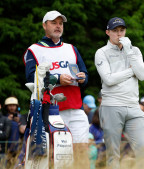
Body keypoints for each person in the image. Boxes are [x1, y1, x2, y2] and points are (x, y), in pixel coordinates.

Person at [23, 10, 89, 166]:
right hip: (51, 110)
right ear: (44, 25)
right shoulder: (33, 50)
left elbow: (85, 75)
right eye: (54, 23)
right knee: (56, 155)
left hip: (76, 107)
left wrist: (83, 78)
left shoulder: (71, 48)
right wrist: (57, 78)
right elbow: (31, 78)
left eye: (60, 23)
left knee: (81, 151)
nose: (58, 26)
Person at [94, 17, 144, 169]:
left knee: (143, 148)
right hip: (111, 105)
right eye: (115, 31)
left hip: (133, 106)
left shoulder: (134, 50)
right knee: (113, 153)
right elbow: (109, 79)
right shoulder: (101, 52)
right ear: (108, 32)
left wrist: (130, 52)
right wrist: (132, 71)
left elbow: (143, 75)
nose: (119, 34)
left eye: (122, 30)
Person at [3, 96, 21, 168]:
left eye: (13, 105)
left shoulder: (21, 117)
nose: (12, 107)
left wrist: (19, 122)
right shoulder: (3, 118)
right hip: (7, 146)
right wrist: (7, 120)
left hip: (18, 146)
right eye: (10, 105)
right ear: (6, 107)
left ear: (16, 106)